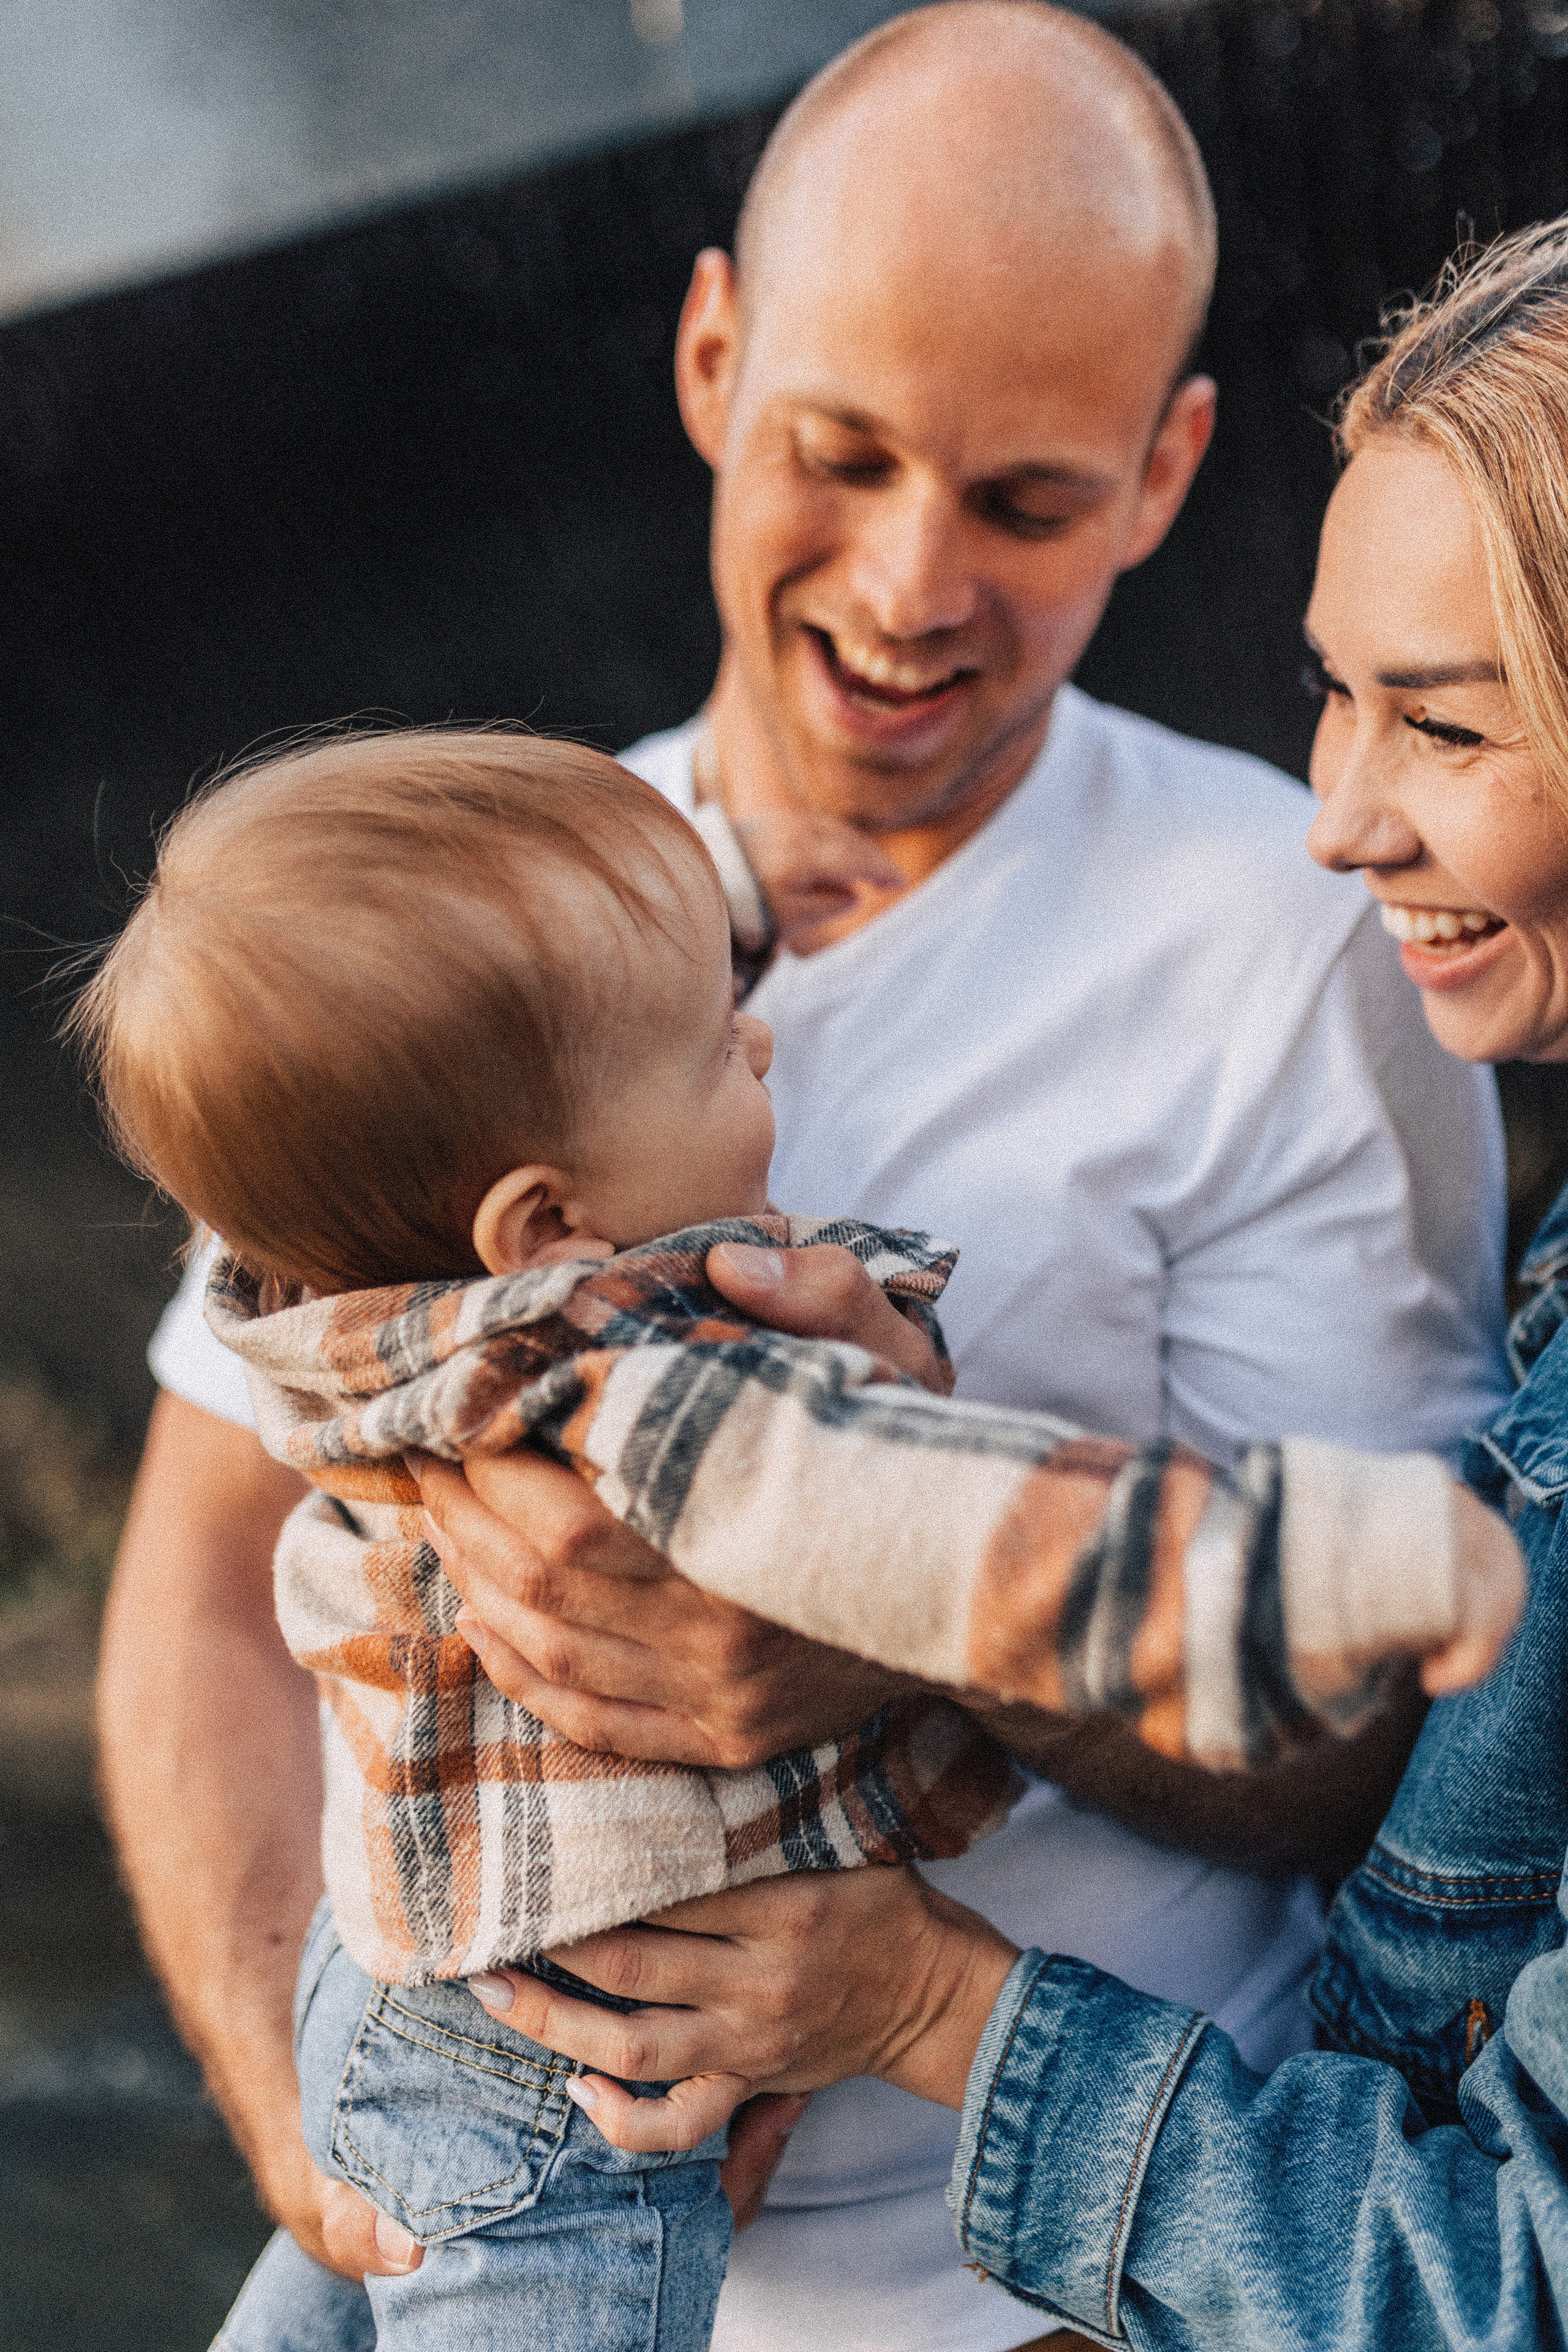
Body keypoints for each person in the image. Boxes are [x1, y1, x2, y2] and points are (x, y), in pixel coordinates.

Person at [102, 8, 1512, 2349]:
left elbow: (1391, 1766)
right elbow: (200, 1566)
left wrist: (883, 1606)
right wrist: (327, 2145)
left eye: (1028, 503)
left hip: (1023, 2299)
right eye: (835, 457)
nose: (907, 584)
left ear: (1169, 475)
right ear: (708, 352)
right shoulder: (450, 916)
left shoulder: (1299, 937)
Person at [469, 220, 1568, 2349]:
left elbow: (1493, 2286)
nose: (1340, 820)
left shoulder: (1267, 967)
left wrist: (912, 1987)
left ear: (1161, 467)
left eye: (1440, 725)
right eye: (1336, 695)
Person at [81, 726, 1518, 2345]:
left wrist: (731, 890)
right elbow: (987, 1531)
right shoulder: (654, 1384)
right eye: (713, 1045)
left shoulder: (321, 1304)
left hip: (391, 1981)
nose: (762, 1045)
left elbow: (525, 1052)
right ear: (545, 1229)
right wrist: (1348, 1562)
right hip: (578, 2107)